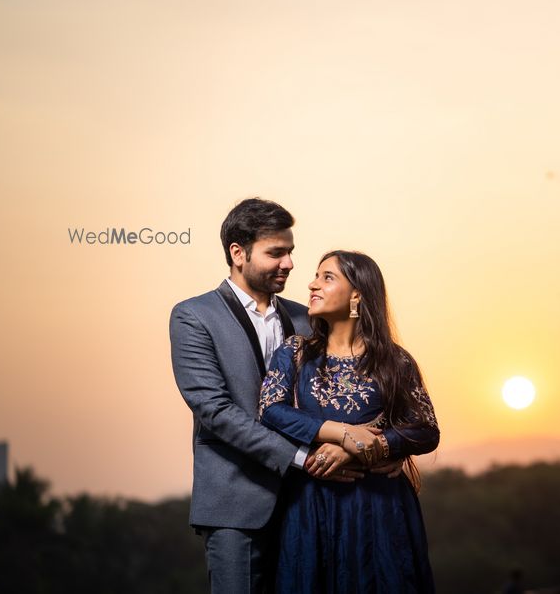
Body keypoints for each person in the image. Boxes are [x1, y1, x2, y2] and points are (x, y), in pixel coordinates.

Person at [170, 199, 400, 592]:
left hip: (312, 504)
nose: (289, 263)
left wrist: (385, 445)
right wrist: (302, 458)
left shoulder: (308, 317)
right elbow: (216, 410)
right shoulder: (193, 317)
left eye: (290, 252)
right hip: (236, 506)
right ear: (238, 253)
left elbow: (365, 385)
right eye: (275, 252)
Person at [257, 250, 439, 592]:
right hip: (313, 504)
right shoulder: (295, 352)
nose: (312, 284)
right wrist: (341, 434)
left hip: (379, 507)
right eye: (315, 275)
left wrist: (364, 449)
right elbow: (270, 409)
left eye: (328, 277)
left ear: (357, 294)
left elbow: (426, 429)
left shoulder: (394, 361)